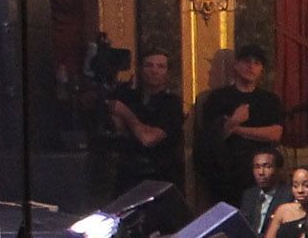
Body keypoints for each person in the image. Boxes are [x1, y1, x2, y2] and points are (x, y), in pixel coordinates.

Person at [192, 44, 286, 207]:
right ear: (236, 65)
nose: (251, 67)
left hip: (259, 161)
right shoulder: (218, 98)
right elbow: (211, 138)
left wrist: (236, 127)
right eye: (246, 61)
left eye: (256, 63)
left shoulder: (269, 99)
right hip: (226, 164)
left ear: (261, 69)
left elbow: (275, 134)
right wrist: (234, 121)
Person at [108, 49, 183, 192]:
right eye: (149, 65)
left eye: (160, 66)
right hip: (126, 175)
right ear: (140, 69)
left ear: (168, 73)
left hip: (159, 178)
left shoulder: (171, 103)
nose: (154, 71)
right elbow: (118, 131)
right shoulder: (128, 97)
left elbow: (148, 139)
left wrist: (125, 113)